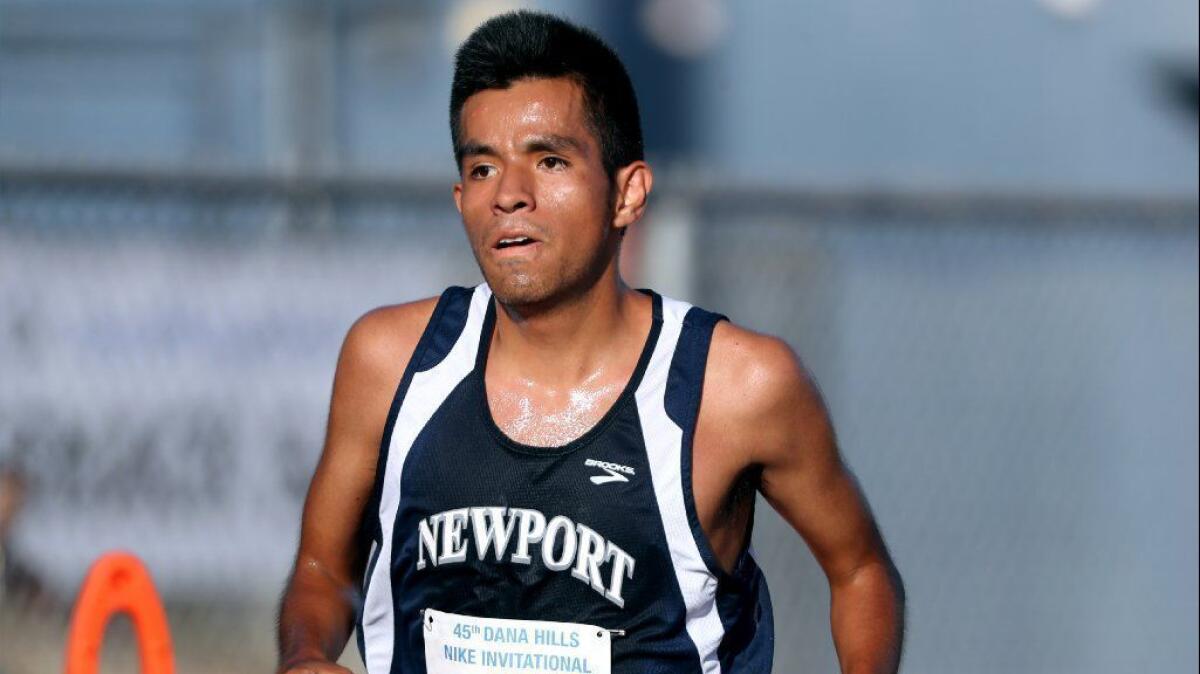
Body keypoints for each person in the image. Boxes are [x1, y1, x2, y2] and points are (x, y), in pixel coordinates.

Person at [276, 11, 903, 674]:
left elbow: (860, 571)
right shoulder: (390, 362)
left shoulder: (735, 388)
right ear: (460, 197)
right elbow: (321, 569)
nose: (511, 196)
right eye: (484, 168)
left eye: (549, 161)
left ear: (627, 193)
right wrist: (306, 654)